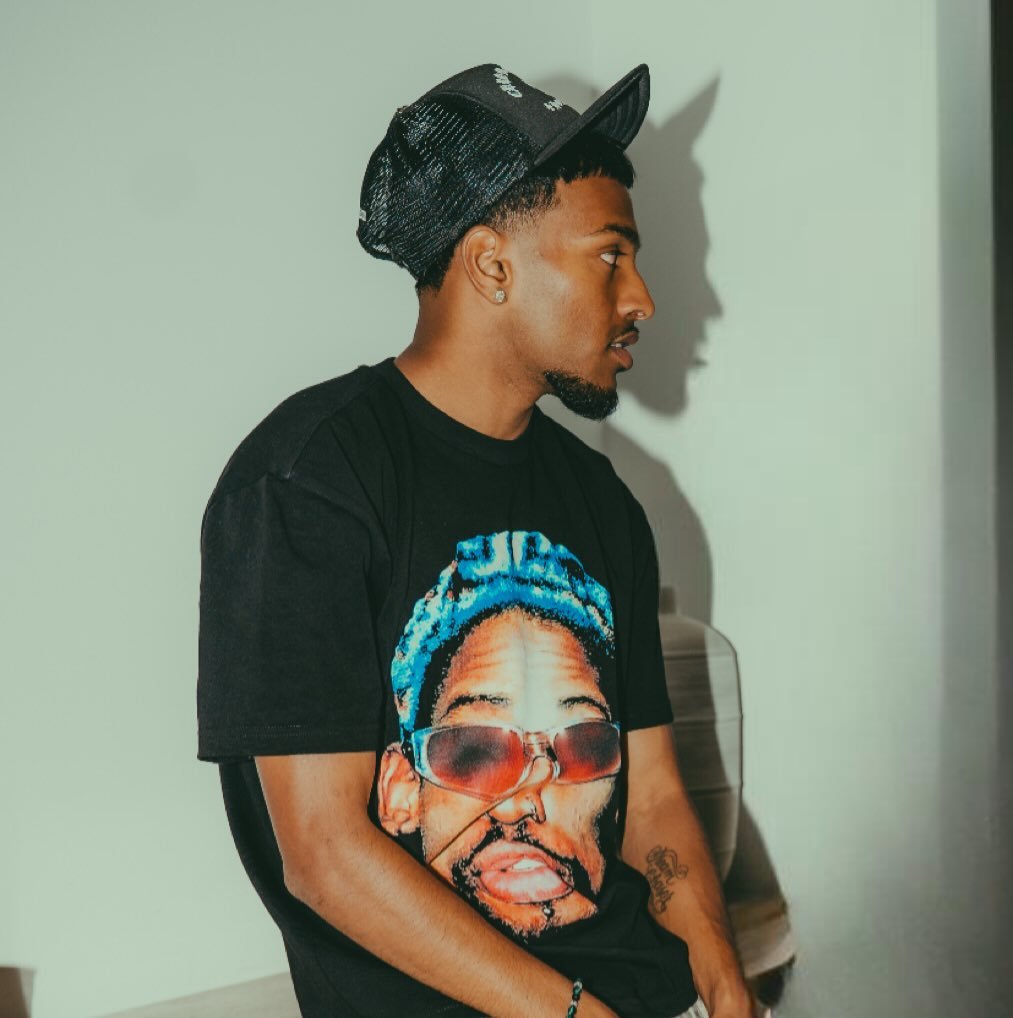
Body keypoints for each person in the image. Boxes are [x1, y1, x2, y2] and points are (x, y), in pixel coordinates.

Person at [197, 62, 753, 1018]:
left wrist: (724, 980)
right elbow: (324, 855)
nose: (642, 299)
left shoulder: (603, 501)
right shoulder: (305, 483)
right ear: (492, 266)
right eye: (611, 256)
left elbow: (655, 797)